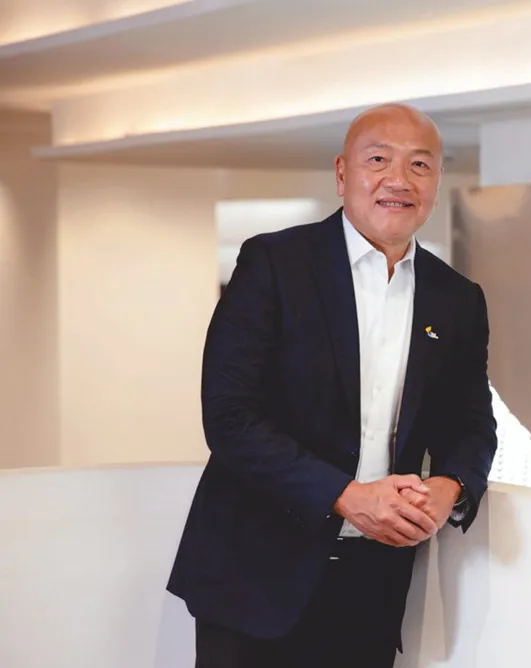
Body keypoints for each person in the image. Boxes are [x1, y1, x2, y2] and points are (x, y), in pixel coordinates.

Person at [166, 103, 498, 668]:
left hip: (374, 583)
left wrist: (451, 487)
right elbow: (230, 417)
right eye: (378, 160)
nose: (399, 180)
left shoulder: (457, 298)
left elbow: (470, 423)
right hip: (256, 576)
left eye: (420, 165)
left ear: (437, 182)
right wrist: (346, 496)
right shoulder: (274, 263)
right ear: (343, 174)